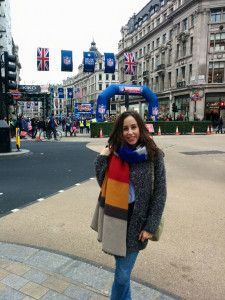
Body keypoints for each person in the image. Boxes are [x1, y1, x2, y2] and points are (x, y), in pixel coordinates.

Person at [91, 111, 167, 300]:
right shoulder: (115, 153)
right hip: (116, 218)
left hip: (137, 221)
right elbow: (104, 184)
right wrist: (102, 156)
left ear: (140, 128)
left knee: (122, 275)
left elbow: (160, 192)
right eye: (125, 128)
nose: (130, 132)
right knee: (122, 273)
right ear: (120, 131)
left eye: (134, 127)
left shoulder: (153, 155)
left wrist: (150, 226)